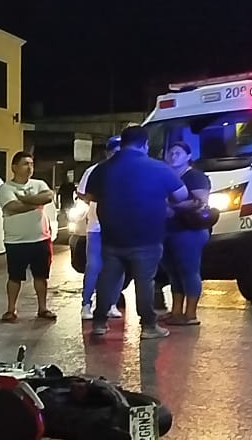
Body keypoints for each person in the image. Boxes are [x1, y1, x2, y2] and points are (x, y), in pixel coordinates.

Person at [83, 126, 189, 339]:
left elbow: (91, 196)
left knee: (107, 279)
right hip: (147, 238)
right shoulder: (158, 168)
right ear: (145, 144)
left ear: (122, 143)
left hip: (112, 237)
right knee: (144, 282)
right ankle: (149, 326)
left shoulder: (102, 169)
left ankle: (99, 323)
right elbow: (181, 195)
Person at [0, 152, 57, 322]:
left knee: (41, 276)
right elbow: (13, 207)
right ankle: (10, 310)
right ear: (14, 167)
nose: (30, 167)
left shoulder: (39, 183)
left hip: (40, 239)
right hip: (16, 241)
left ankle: (43, 308)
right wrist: (36, 203)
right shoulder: (6, 188)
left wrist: (26, 199)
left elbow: (48, 196)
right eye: (25, 164)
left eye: (31, 164)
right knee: (15, 277)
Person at [161, 142, 212, 326]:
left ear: (188, 156)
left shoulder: (195, 177)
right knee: (174, 272)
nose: (173, 155)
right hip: (168, 230)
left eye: (178, 152)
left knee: (189, 271)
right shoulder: (165, 176)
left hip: (189, 231)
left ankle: (190, 314)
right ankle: (176, 311)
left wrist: (171, 206)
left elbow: (200, 201)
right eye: (171, 152)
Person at [77, 136, 125, 321]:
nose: (117, 155)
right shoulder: (94, 170)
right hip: (97, 226)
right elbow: (82, 193)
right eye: (114, 151)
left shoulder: (127, 170)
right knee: (94, 266)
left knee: (118, 267)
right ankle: (86, 304)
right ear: (107, 152)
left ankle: (111, 304)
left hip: (121, 226)